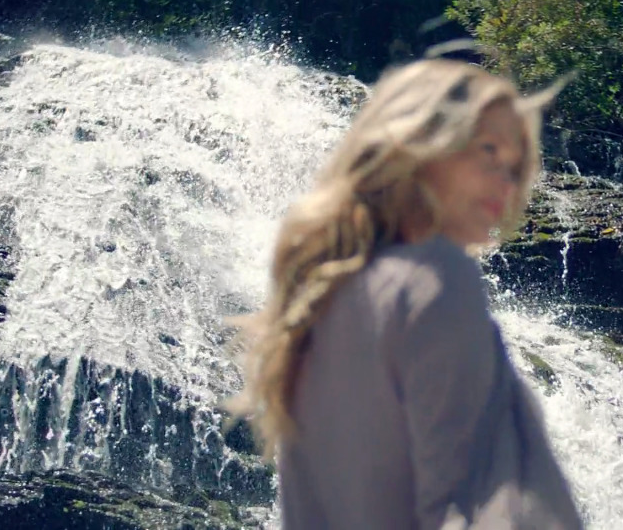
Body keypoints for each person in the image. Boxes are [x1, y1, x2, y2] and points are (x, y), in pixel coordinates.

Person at [224, 57, 584, 530]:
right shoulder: (434, 275)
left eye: (516, 168)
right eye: (488, 150)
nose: (506, 180)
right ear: (417, 145)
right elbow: (471, 506)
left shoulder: (318, 299)